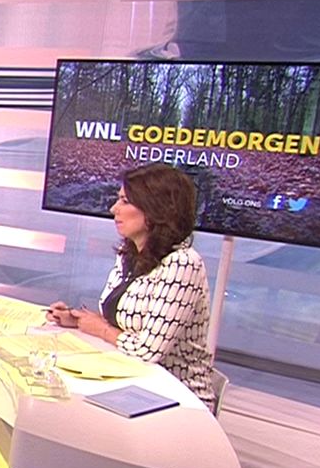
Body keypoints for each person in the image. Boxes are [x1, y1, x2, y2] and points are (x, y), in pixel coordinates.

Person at [47, 162, 216, 404]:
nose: (113, 209)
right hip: (130, 380)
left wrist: (101, 329)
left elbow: (148, 350)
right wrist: (79, 320)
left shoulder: (183, 263)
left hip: (178, 398)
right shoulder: (130, 255)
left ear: (156, 209)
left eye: (125, 201)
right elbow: (131, 323)